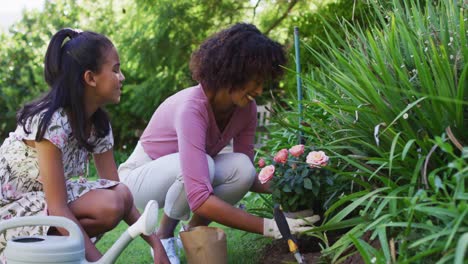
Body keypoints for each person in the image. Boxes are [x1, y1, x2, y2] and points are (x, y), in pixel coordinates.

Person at [119, 23, 318, 263]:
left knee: (242, 168)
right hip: (139, 178)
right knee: (203, 165)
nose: (260, 89)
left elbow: (249, 174)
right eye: (255, 80)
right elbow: (199, 197)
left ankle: (192, 234)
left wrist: (293, 183)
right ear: (234, 71)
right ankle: (164, 236)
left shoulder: (246, 109)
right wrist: (272, 226)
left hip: (185, 172)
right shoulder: (192, 108)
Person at [0, 28, 169, 263]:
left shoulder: (98, 125)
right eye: (115, 69)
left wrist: (157, 246)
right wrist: (97, 261)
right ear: (90, 78)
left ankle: (59, 256)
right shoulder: (51, 122)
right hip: (9, 217)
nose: (122, 77)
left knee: (116, 197)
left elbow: (123, 195)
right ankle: (47, 256)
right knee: (107, 204)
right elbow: (58, 207)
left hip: (43, 208)